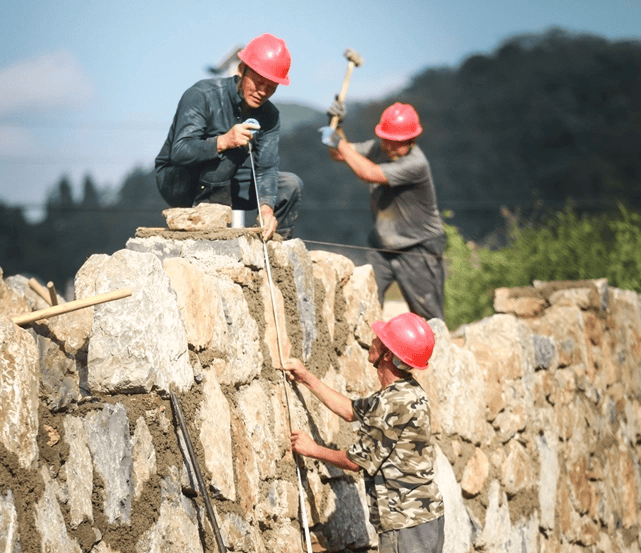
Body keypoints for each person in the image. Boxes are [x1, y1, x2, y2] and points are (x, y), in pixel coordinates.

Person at [284, 312, 445, 553]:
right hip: (424, 520)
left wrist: (312, 449)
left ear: (388, 355)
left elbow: (355, 462)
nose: (373, 340)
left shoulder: (391, 403)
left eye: (381, 340)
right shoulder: (406, 391)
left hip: (405, 525)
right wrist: (307, 379)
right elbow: (351, 411)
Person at [154, 33, 303, 240]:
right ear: (242, 70)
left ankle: (277, 250)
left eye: (271, 88)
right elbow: (178, 151)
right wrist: (224, 141)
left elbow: (266, 169)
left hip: (226, 182)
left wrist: (267, 208)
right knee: (232, 150)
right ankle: (214, 236)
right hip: (177, 181)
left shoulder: (270, 115)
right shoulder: (202, 94)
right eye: (258, 83)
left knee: (290, 185)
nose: (262, 92)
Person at [320, 102, 446, 320]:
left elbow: (369, 172)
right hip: (381, 246)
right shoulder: (378, 148)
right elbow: (340, 154)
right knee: (363, 305)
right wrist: (338, 125)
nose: (389, 147)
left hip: (418, 248)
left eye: (397, 143)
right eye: (386, 140)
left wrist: (338, 142)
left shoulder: (416, 164)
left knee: (428, 318)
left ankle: (433, 353)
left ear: (412, 140)